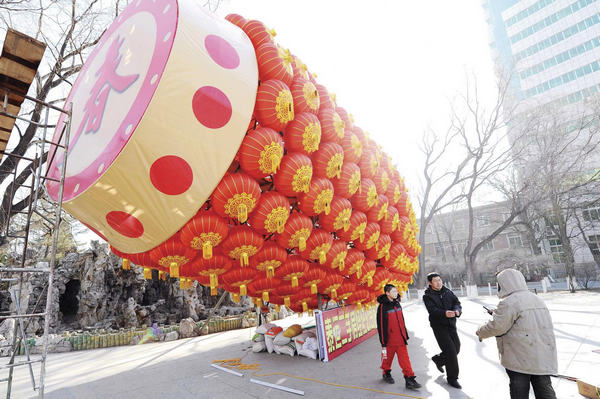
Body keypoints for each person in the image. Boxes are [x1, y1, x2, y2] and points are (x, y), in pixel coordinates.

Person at [476, 269, 557, 399]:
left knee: (519, 390)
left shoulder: (509, 302)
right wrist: (498, 314)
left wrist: (480, 332)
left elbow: (497, 327)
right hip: (542, 352)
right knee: (544, 387)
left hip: (519, 356)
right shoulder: (536, 299)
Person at [376, 284, 421, 390]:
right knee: (387, 358)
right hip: (389, 340)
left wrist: (405, 334)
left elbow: (402, 321)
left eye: (396, 291)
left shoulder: (397, 304)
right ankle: (386, 372)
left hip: (400, 338)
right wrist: (383, 341)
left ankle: (409, 379)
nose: (396, 293)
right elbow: (381, 325)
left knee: (405, 359)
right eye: (393, 292)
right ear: (387, 293)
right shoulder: (383, 307)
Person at [422, 272, 462, 389]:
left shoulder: (448, 292)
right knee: (450, 352)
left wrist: (457, 310)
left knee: (456, 348)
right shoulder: (427, 296)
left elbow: (457, 303)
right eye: (435, 281)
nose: (439, 282)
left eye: (440, 280)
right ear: (430, 283)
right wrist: (445, 313)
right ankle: (452, 378)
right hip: (439, 327)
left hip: (451, 325)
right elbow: (432, 310)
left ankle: (439, 359)